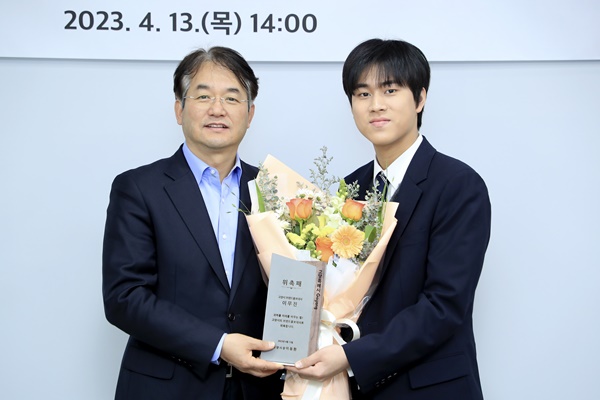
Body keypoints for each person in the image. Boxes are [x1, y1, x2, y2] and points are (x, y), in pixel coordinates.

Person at [288, 39, 492, 399]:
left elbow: (444, 306)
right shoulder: (350, 189)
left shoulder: (458, 185)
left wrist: (351, 356)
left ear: (420, 98)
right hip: (356, 388)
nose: (376, 105)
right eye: (363, 94)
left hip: (430, 388)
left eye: (390, 90)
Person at [102, 46, 284, 400]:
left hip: (255, 388)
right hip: (166, 388)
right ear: (179, 109)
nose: (217, 109)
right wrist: (218, 344)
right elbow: (125, 298)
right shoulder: (139, 188)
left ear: (250, 114)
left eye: (232, 98)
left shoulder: (273, 189)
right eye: (203, 96)